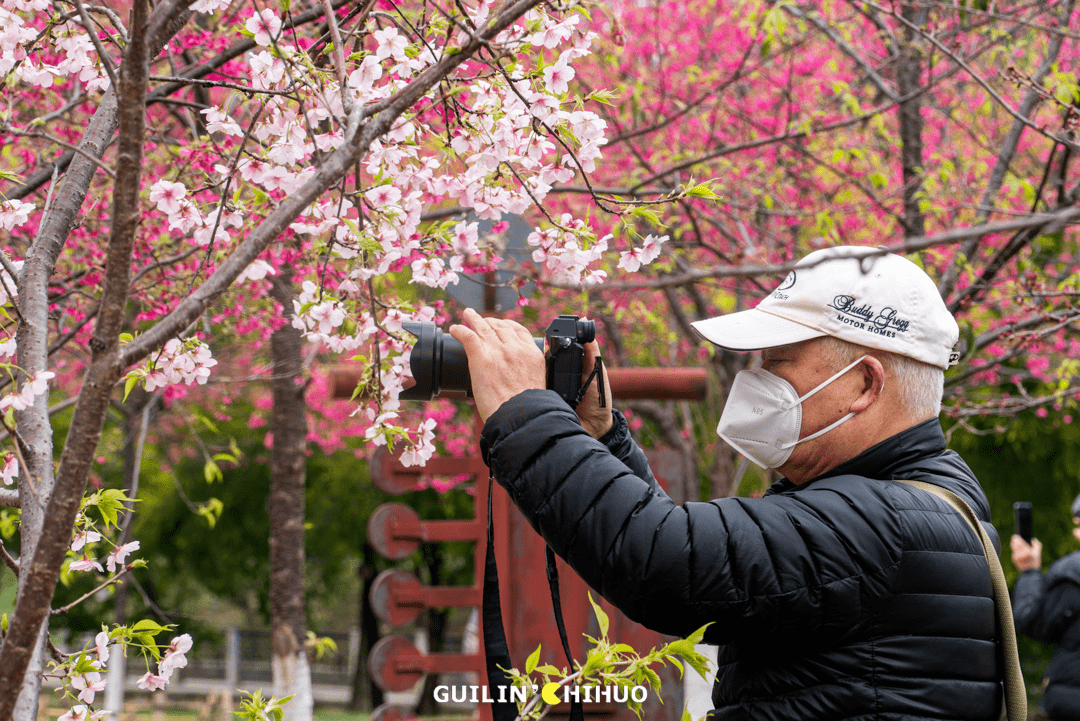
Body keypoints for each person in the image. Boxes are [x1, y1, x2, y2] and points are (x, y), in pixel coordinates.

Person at [449, 245, 1005, 720]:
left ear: (862, 383)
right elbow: (714, 564)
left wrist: (525, 411)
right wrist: (600, 440)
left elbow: (664, 561)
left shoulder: (880, 525)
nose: (752, 379)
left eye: (776, 362)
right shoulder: (905, 509)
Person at [1010, 496, 1080, 719]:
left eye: (1079, 525)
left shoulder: (1073, 573)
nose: (1075, 534)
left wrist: (1030, 571)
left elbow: (1034, 622)